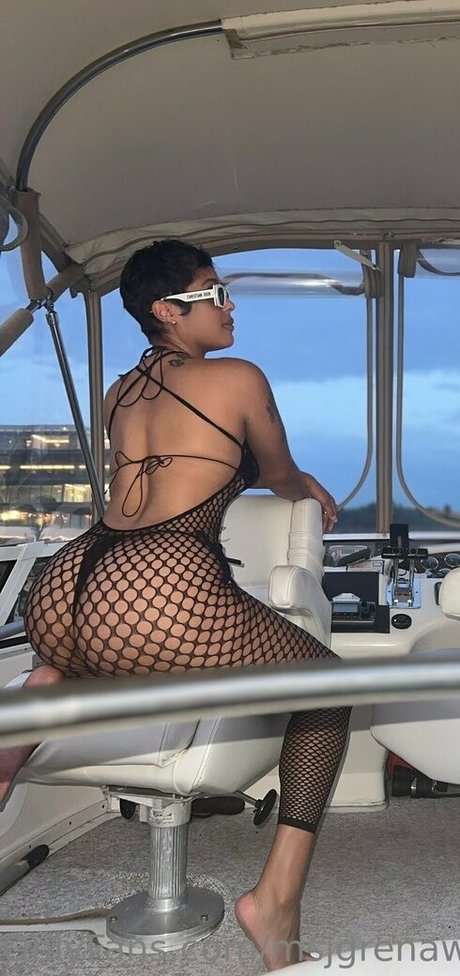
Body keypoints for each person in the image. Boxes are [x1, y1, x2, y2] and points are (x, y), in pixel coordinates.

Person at [0, 239, 350, 970]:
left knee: (75, 662)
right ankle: (275, 900)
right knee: (329, 691)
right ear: (166, 310)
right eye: (213, 293)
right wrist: (308, 487)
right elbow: (279, 473)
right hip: (157, 585)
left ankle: (29, 713)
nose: (230, 306)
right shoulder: (238, 378)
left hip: (66, 586)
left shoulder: (118, 393)